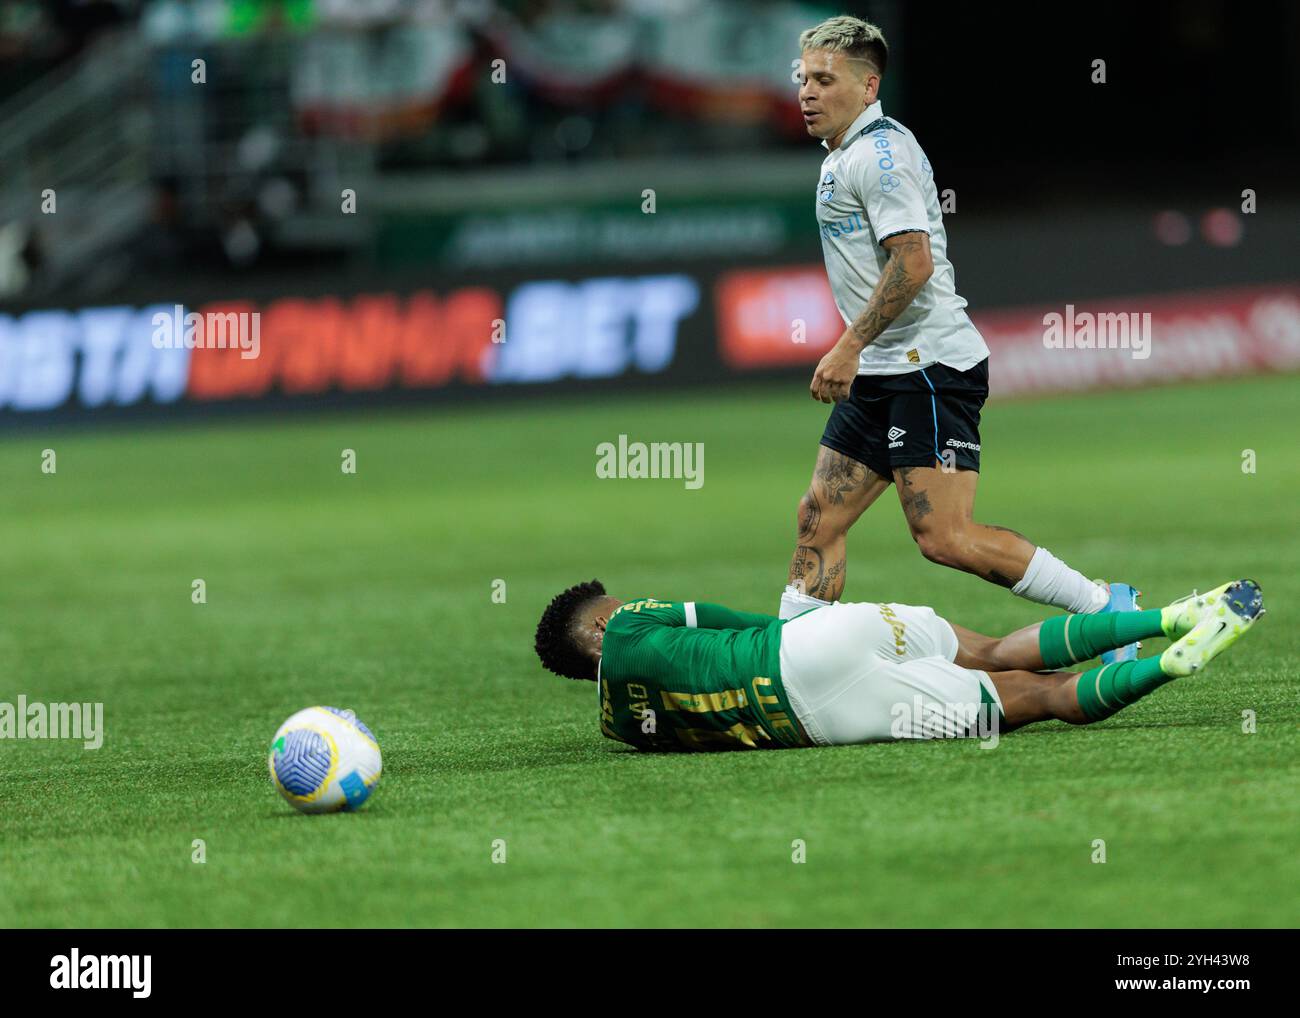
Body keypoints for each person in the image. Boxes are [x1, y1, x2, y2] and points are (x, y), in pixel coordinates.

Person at [786, 15, 1139, 663]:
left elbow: (913, 262)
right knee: (819, 517)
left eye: (823, 79)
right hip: (884, 369)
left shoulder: (879, 157)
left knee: (944, 537)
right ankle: (797, 657)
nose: (806, 91)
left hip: (929, 365)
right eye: (801, 77)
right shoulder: (842, 154)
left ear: (868, 87)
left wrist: (848, 345)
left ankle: (1106, 607)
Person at [533, 579, 1263, 752]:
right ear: (594, 629)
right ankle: (1172, 615)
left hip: (823, 716)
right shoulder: (629, 621)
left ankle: (1169, 664)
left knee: (1036, 702)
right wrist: (812, 626)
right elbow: (735, 621)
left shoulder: (622, 729)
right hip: (812, 642)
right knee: (999, 649)